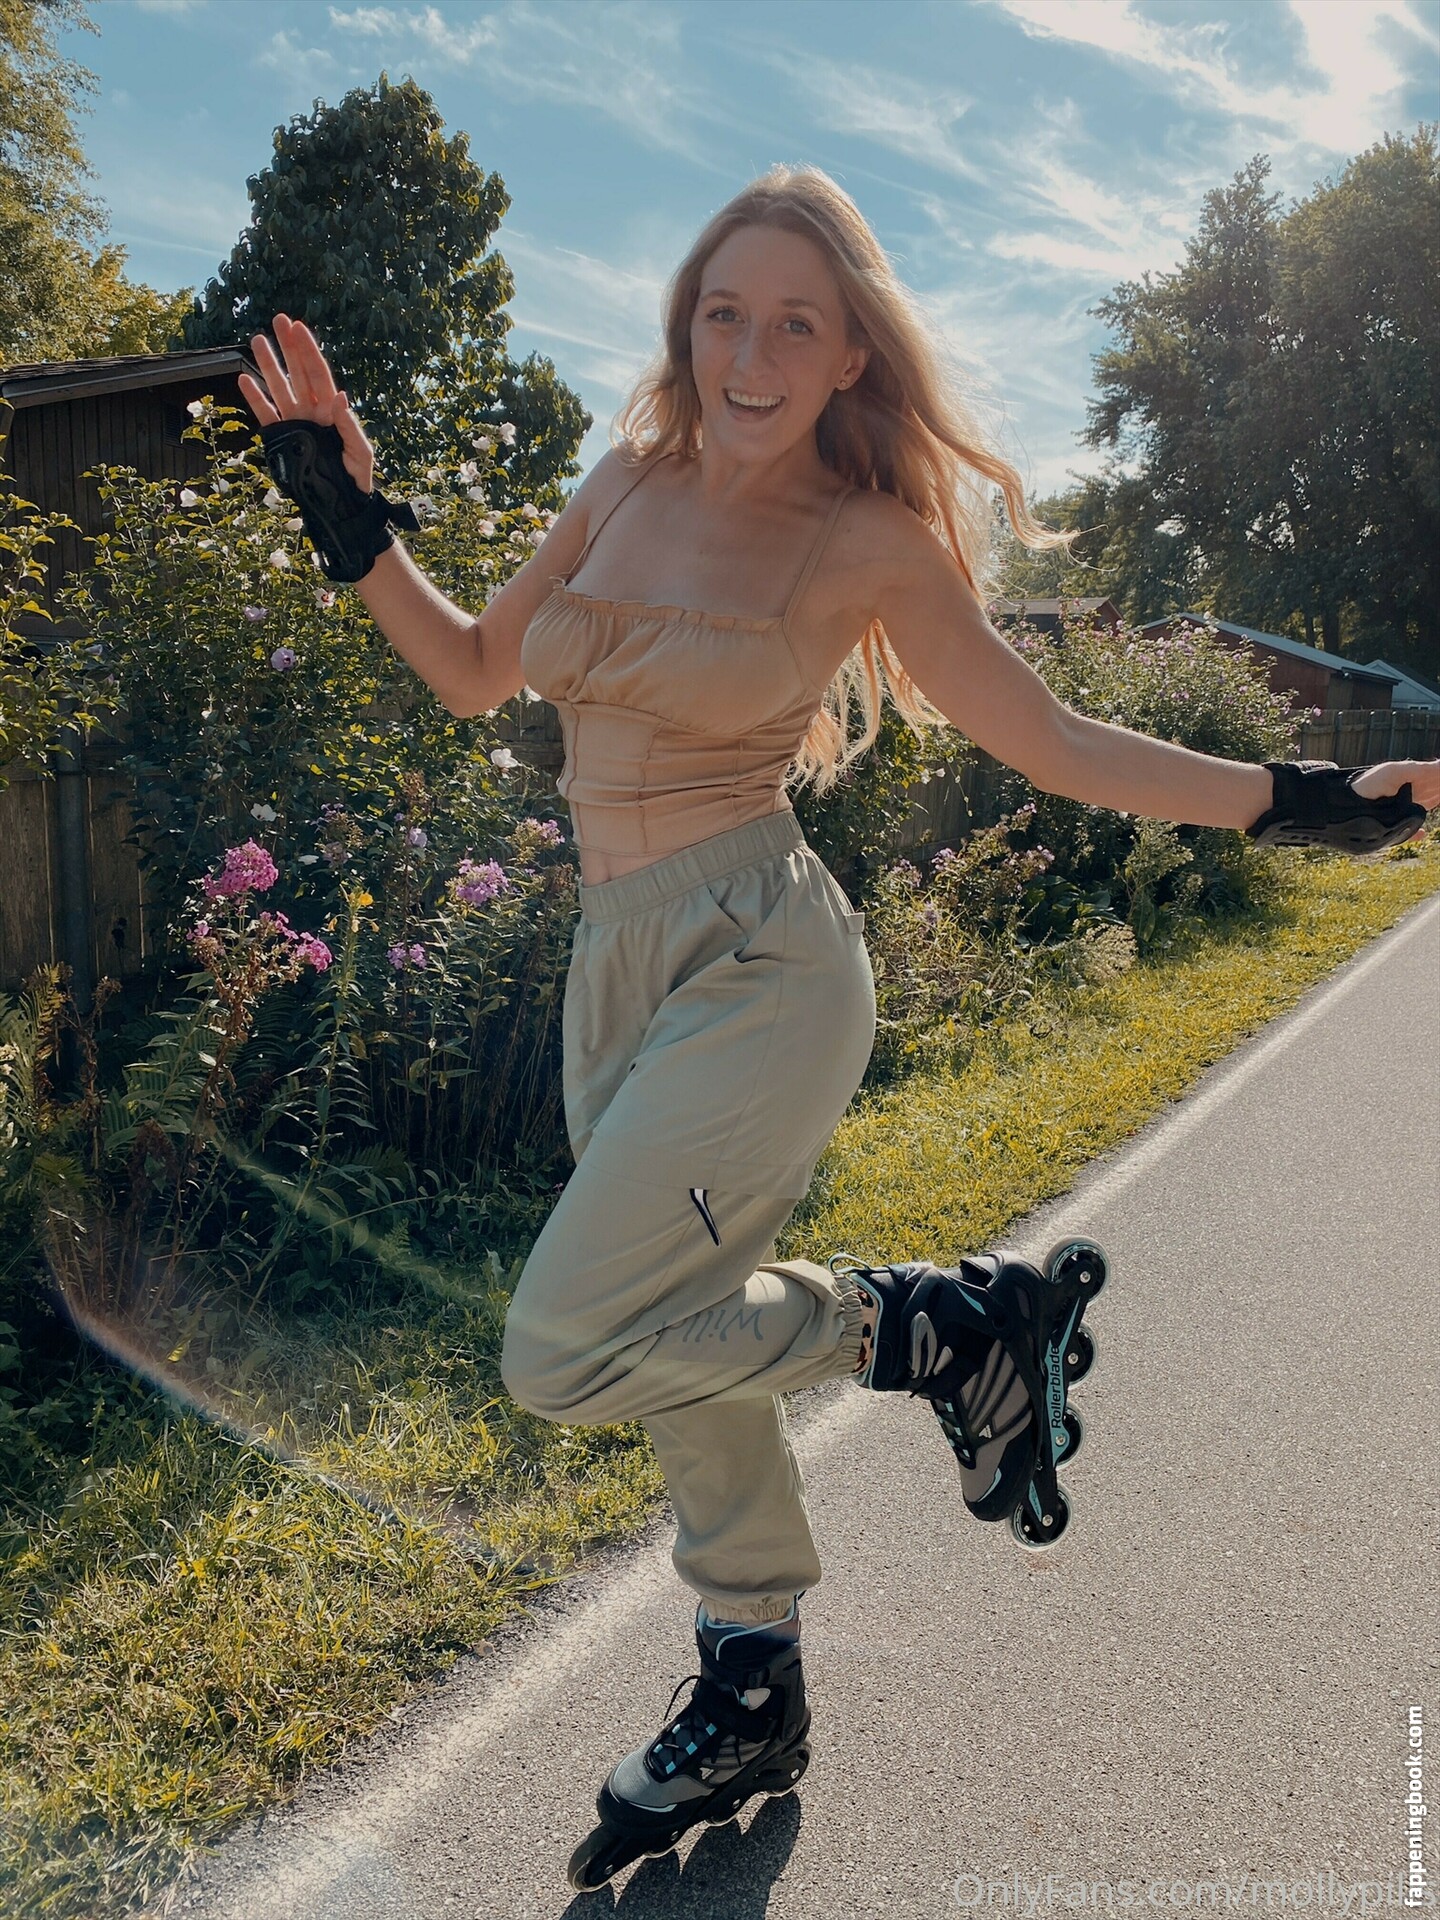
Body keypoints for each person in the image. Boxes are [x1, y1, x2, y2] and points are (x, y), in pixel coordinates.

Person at [240, 162, 1436, 1893]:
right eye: (725, 313)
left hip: (764, 957)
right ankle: (751, 1682)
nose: (752, 354)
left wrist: (1309, 798)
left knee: (561, 1349)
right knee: (679, 1321)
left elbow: (1057, 741)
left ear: (851, 353)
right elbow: (477, 669)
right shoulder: (622, 477)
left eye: (796, 323)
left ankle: (939, 1328)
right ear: (687, 325)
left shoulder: (865, 539)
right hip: (615, 961)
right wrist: (348, 515)